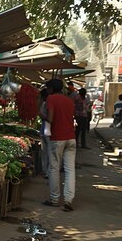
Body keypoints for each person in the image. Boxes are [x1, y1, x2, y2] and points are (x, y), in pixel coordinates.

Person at [43, 79, 76, 211]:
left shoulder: (51, 98)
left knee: (54, 169)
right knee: (70, 170)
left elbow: (50, 119)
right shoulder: (69, 100)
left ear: (51, 88)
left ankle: (55, 199)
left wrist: (42, 115)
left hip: (57, 138)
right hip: (71, 138)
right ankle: (68, 200)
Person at [38, 88, 50, 178]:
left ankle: (48, 171)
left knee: (48, 152)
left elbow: (50, 118)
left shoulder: (48, 104)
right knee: (45, 151)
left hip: (48, 130)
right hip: (44, 130)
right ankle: (45, 170)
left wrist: (42, 115)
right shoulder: (44, 103)